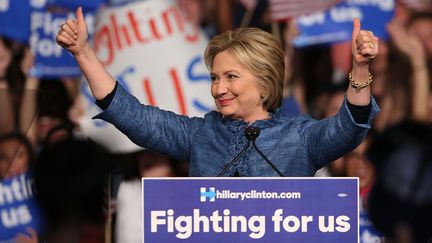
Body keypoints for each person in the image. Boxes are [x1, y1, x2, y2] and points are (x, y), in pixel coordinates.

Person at [56, 7, 379, 177]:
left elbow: (348, 128)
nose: (218, 88)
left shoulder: (301, 136)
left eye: (231, 77)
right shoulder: (202, 134)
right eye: (214, 77)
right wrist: (83, 53)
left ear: (264, 82)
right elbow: (133, 116)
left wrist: (360, 68)